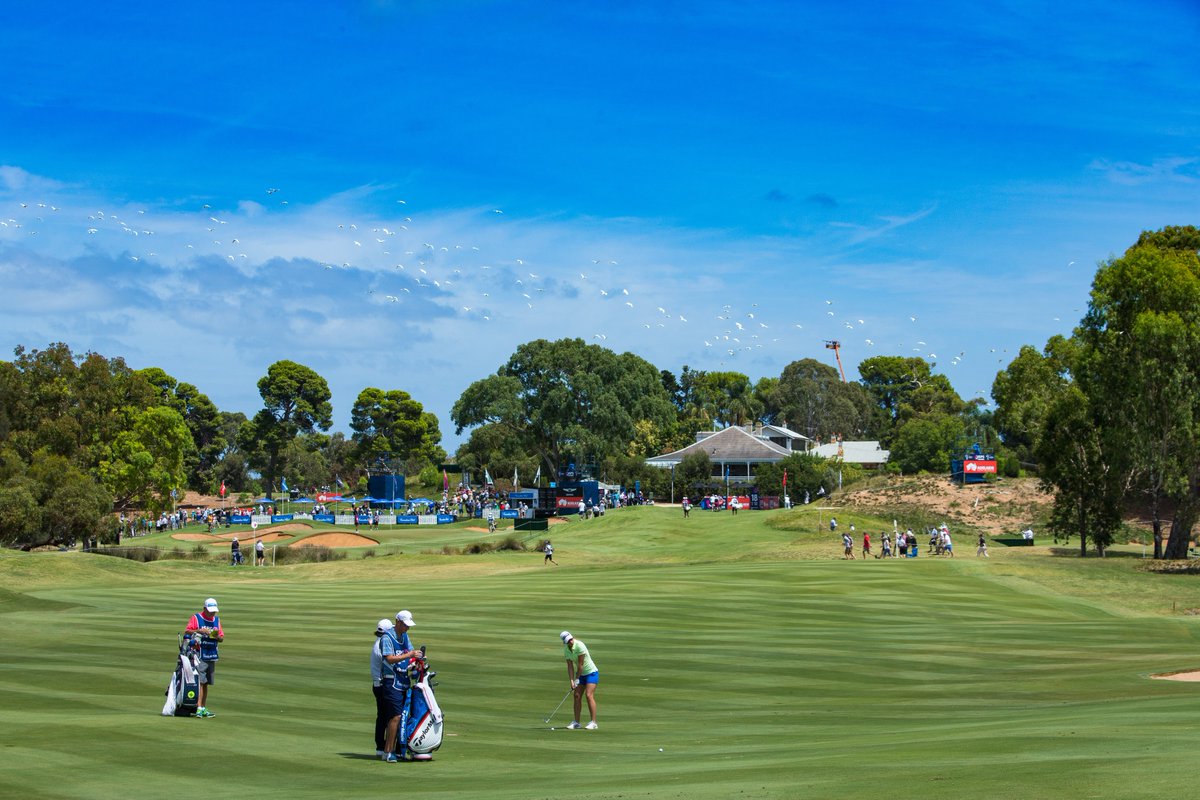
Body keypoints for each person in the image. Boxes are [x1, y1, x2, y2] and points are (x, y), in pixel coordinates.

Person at [379, 610, 422, 762]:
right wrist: (410, 655)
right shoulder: (387, 637)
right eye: (405, 625)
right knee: (395, 717)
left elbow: (410, 652)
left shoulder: (404, 636)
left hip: (403, 680)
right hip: (391, 682)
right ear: (397, 622)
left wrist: (415, 658)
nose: (407, 628)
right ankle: (387, 751)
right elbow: (389, 659)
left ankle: (399, 750)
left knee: (403, 716)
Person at [184, 597, 224, 717]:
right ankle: (198, 707)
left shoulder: (216, 620)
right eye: (210, 610)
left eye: (214, 611)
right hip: (199, 654)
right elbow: (187, 631)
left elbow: (221, 638)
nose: (212, 613)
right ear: (204, 609)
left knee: (206, 683)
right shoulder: (196, 618)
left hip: (211, 654)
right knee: (200, 681)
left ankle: (203, 707)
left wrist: (214, 635)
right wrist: (199, 631)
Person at [560, 631, 599, 730]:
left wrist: (577, 679)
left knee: (589, 695)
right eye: (568, 641)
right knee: (576, 695)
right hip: (581, 675)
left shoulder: (580, 645)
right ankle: (576, 722)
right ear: (565, 642)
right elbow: (570, 666)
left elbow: (580, 665)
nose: (571, 641)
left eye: (571, 639)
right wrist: (572, 681)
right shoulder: (566, 650)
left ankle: (593, 722)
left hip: (591, 673)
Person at [371, 619, 393, 757]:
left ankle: (380, 747)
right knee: (386, 717)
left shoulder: (379, 643)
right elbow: (389, 664)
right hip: (382, 685)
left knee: (382, 717)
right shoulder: (381, 645)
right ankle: (383, 748)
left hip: (378, 684)